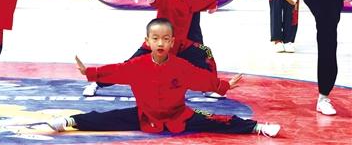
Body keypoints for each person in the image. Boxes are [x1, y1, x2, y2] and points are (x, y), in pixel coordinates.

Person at [47, 18, 280, 138]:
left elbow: (202, 79)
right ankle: (69, 121)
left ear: (172, 42)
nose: (160, 43)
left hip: (179, 116)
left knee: (219, 120)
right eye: (155, 38)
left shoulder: (181, 66)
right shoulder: (136, 65)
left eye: (165, 39)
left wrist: (224, 85)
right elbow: (116, 70)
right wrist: (90, 72)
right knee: (105, 118)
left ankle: (258, 127)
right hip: (144, 116)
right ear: (147, 41)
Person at [84, 0, 218, 97]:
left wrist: (213, 6)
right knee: (128, 67)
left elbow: (209, 1)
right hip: (156, 45)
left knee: (203, 56)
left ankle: (209, 87)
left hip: (180, 46)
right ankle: (96, 83)